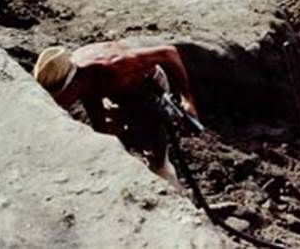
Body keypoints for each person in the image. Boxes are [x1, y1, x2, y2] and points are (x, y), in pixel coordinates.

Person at [32, 40, 200, 186]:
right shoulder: (81, 82)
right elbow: (96, 113)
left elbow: (168, 52)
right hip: (108, 89)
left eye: (62, 98)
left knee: (155, 147)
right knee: (104, 133)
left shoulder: (115, 64)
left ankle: (165, 179)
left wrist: (187, 99)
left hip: (143, 88)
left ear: (71, 85)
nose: (62, 104)